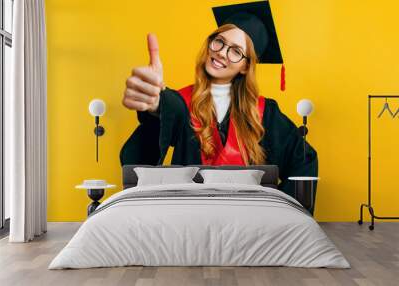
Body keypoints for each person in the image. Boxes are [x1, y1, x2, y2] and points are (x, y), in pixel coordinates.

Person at [119, 1, 318, 215]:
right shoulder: (179, 102)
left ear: (246, 66)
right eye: (219, 42)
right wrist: (156, 108)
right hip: (189, 215)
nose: (222, 53)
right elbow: (138, 160)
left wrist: (280, 213)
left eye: (236, 51)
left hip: (246, 220)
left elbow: (304, 160)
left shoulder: (264, 112)